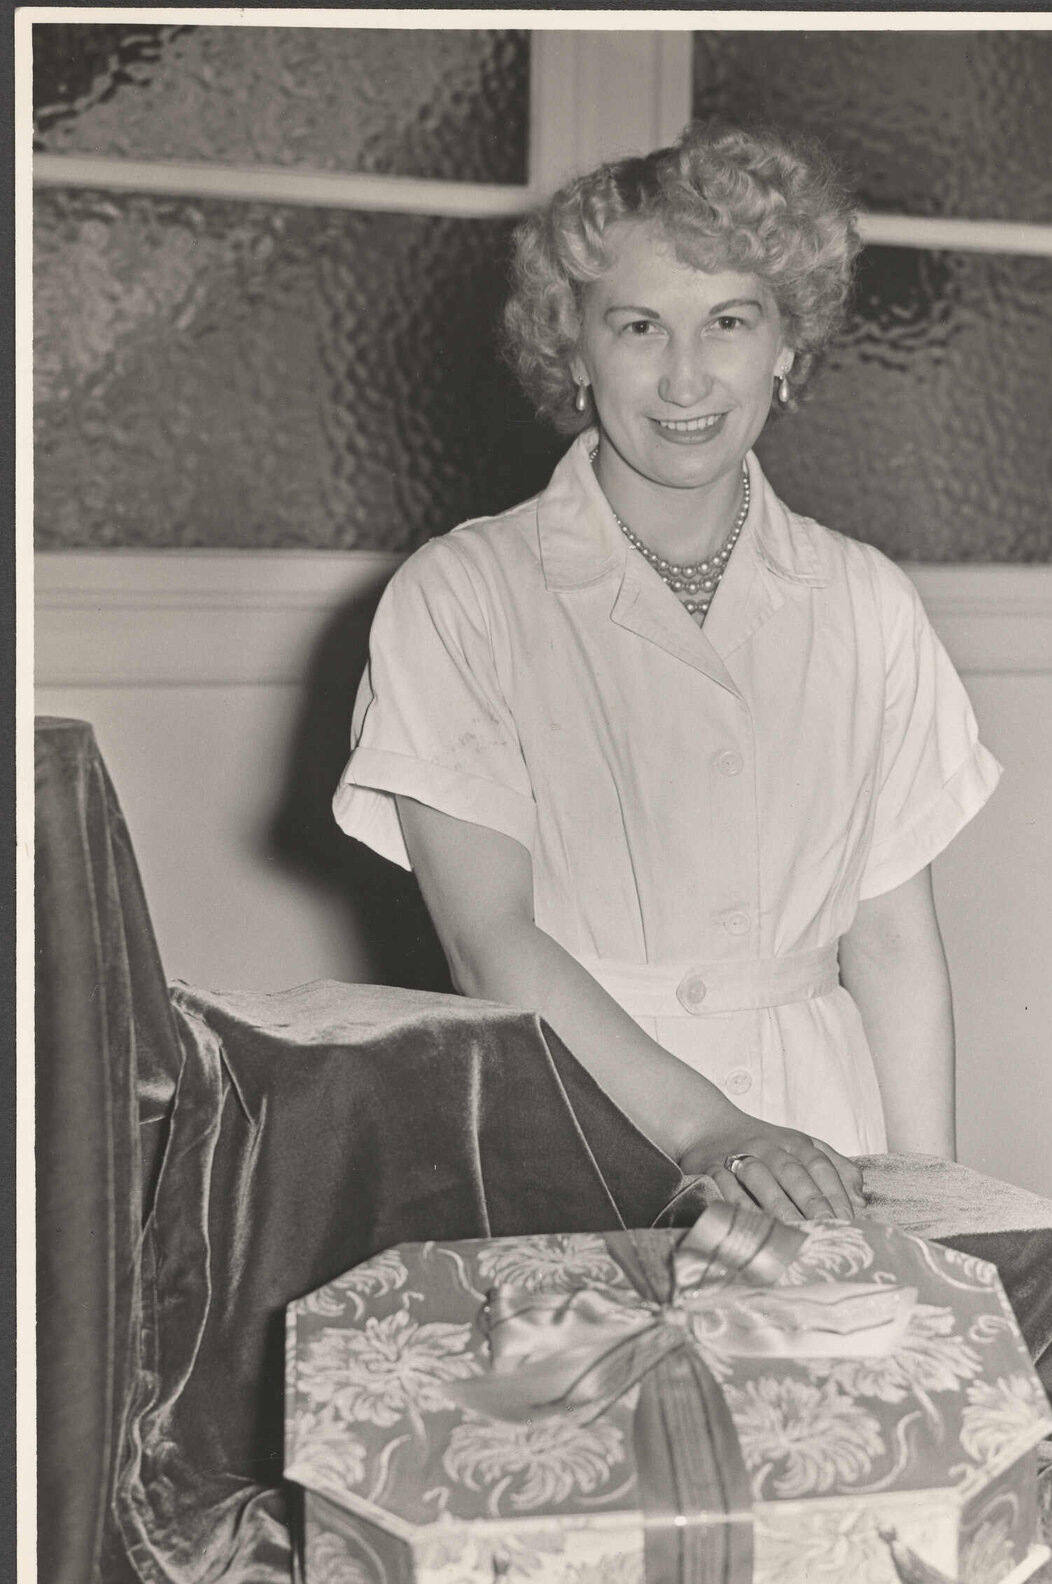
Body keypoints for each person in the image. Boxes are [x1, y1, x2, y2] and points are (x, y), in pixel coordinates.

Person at [333, 122, 1001, 1225]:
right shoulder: (461, 594)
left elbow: (890, 942)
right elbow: (487, 933)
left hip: (824, 1139)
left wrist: (931, 1201)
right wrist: (707, 1127)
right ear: (575, 344)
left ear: (786, 343)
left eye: (729, 322)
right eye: (639, 325)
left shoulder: (866, 599)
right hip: (569, 1123)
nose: (687, 374)